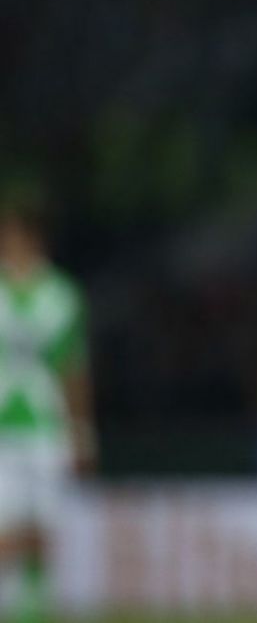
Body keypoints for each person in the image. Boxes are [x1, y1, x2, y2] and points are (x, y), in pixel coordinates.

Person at [0, 187, 95, 623]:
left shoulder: (61, 295)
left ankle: (32, 607)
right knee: (9, 523)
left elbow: (73, 367)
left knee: (44, 524)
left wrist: (81, 431)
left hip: (46, 424)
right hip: (3, 427)